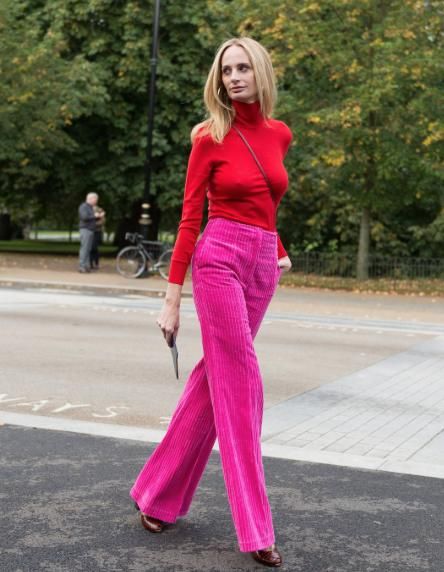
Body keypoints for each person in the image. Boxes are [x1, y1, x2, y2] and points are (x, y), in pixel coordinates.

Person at [130, 37, 292, 568]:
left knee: (214, 379)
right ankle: (256, 526)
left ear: (260, 72)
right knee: (242, 379)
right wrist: (172, 299)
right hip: (218, 257)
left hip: (261, 263)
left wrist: (278, 249)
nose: (234, 78)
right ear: (218, 79)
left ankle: (155, 493)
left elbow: (267, 197)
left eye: (244, 68)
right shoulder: (208, 137)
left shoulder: (279, 134)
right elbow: (189, 218)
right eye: (227, 71)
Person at [78, 193, 104, 273]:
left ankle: (86, 266)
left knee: (88, 249)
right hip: (85, 229)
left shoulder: (90, 207)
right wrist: (95, 216)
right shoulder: (84, 207)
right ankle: (82, 266)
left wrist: (99, 216)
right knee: (84, 249)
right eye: (95, 200)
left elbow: (92, 219)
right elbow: (84, 217)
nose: (96, 201)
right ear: (91, 198)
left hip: (90, 230)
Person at [89, 204, 106, 270]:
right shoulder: (88, 210)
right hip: (90, 231)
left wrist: (94, 223)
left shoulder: (100, 210)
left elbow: (102, 221)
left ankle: (96, 263)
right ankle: (90, 264)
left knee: (94, 248)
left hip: (97, 232)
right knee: (90, 248)